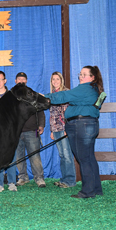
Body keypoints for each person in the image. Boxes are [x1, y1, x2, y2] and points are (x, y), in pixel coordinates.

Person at [44, 65, 104, 198]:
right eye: (80, 74)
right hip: (89, 125)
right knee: (89, 158)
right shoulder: (94, 89)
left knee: (84, 159)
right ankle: (96, 188)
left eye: (84, 74)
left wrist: (45, 97)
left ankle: (87, 191)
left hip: (81, 125)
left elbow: (64, 95)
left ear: (92, 77)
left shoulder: (85, 88)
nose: (81, 76)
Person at [15, 72, 46, 188]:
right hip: (16, 132)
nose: (21, 81)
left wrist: (41, 125)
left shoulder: (33, 95)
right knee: (19, 156)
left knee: (35, 156)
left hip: (32, 130)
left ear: (26, 81)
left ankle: (39, 178)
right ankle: (23, 177)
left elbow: (41, 112)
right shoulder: (13, 97)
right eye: (19, 79)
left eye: (23, 79)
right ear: (15, 81)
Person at [48, 72, 76, 188]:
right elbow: (52, 114)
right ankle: (64, 179)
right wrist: (51, 130)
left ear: (61, 80)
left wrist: (67, 129)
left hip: (64, 128)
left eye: (57, 79)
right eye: (53, 79)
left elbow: (68, 113)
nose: (55, 81)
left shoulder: (66, 93)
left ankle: (70, 181)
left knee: (67, 154)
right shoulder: (51, 95)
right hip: (56, 128)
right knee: (62, 154)